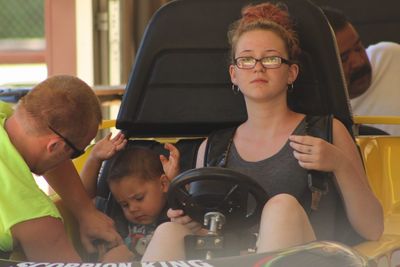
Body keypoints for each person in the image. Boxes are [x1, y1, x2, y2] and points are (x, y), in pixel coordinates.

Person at [141, 3, 383, 261]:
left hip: (312, 259)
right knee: (169, 231)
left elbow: (373, 227)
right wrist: (195, 223)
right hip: (233, 258)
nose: (258, 67)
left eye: (270, 58)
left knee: (281, 208)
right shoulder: (212, 148)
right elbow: (212, 236)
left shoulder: (326, 131)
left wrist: (339, 164)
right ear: (234, 74)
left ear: (291, 72)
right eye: (246, 59)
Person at [0, 75, 124, 262]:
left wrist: (86, 212)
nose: (68, 160)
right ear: (54, 146)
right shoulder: (31, 215)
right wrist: (117, 263)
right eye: (75, 153)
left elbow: (52, 145)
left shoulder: (5, 112)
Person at [80, 132, 180, 261]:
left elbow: (189, 207)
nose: (132, 208)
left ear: (163, 184)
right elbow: (84, 200)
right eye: (124, 205)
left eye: (139, 198)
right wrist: (94, 159)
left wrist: (175, 184)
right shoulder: (114, 213)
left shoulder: (175, 211)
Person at [322, 7, 400, 136]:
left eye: (358, 48)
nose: (359, 62)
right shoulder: (325, 117)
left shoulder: (391, 56)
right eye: (344, 58)